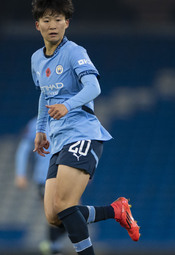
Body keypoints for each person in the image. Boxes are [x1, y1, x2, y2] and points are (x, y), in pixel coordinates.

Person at [31, 1, 140, 254]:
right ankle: (116, 211)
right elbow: (44, 96)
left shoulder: (74, 52)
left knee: (65, 204)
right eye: (46, 20)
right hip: (58, 140)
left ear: (67, 22)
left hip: (82, 134)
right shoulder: (37, 59)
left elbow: (94, 87)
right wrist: (41, 129)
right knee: (54, 216)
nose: (53, 25)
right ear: (38, 25)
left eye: (58, 19)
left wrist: (67, 106)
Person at [15, 116, 66, 255]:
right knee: (55, 213)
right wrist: (20, 174)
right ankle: (54, 248)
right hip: (45, 178)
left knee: (72, 213)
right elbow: (24, 148)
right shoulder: (36, 124)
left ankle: (52, 245)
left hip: (67, 177)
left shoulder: (69, 119)